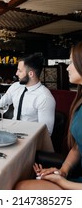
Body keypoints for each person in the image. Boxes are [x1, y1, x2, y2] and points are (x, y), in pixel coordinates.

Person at [15, 41, 82, 190]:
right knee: (21, 185)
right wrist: (62, 171)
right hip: (74, 178)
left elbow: (47, 132)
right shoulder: (79, 102)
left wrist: (63, 183)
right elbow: (78, 147)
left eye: (72, 62)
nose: (67, 67)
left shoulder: (44, 96)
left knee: (21, 187)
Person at [0, 52, 55, 135]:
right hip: (10, 132)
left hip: (28, 137)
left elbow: (46, 132)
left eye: (19, 71)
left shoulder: (44, 98)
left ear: (31, 74)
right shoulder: (15, 87)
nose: (16, 73)